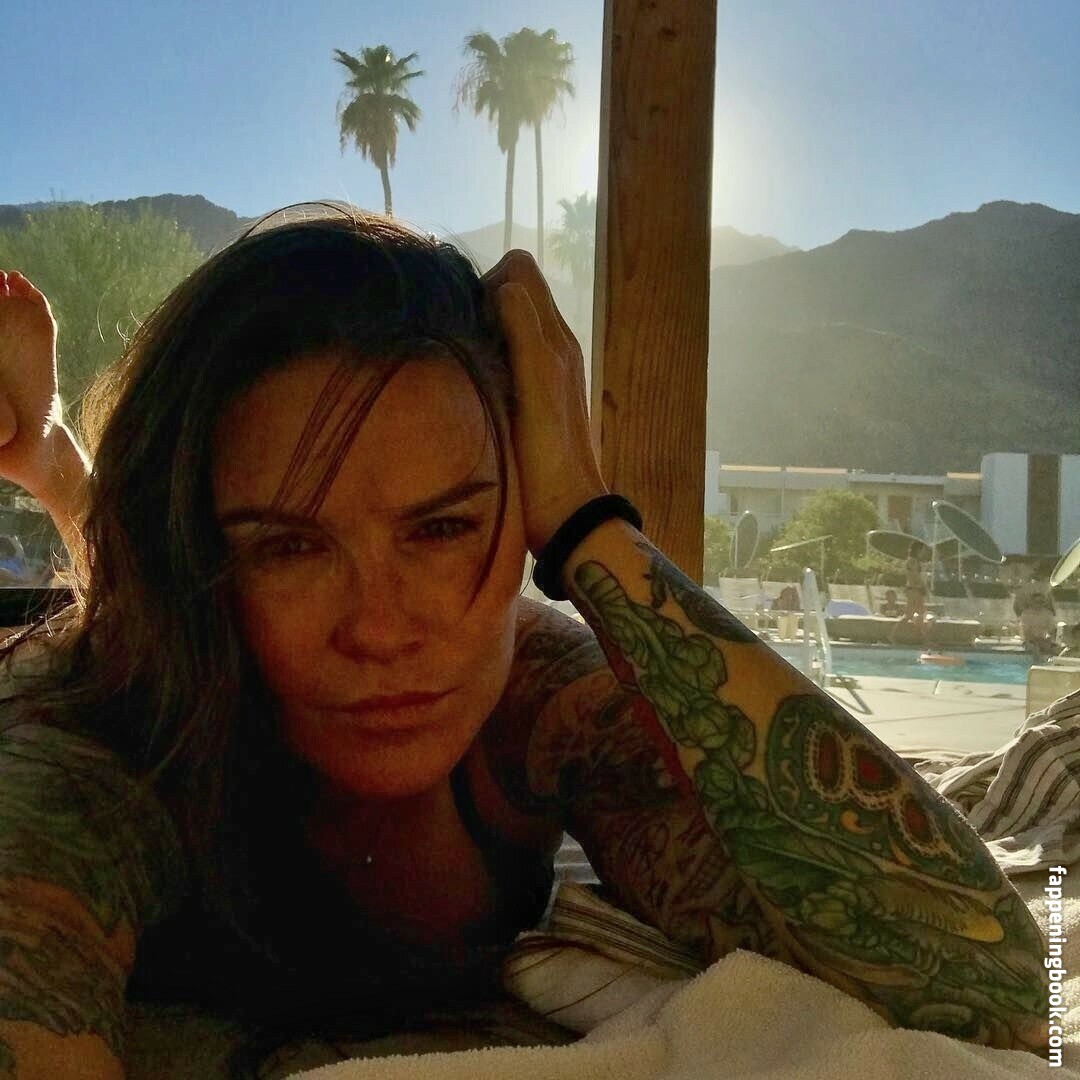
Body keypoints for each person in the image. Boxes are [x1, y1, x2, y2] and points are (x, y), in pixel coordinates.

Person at [0, 212, 1048, 1077]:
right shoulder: (97, 759)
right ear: (197, 557)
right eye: (287, 548)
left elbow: (990, 986)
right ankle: (59, 465)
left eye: (445, 528)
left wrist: (590, 523)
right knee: (132, 617)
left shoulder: (542, 698)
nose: (382, 628)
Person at [891, 542, 929, 644]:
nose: (924, 552)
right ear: (918, 550)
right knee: (911, 614)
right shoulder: (912, 561)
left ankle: (921, 636)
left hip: (914, 589)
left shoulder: (913, 561)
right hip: (914, 589)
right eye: (922, 550)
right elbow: (915, 576)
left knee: (916, 613)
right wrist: (923, 587)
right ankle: (894, 635)